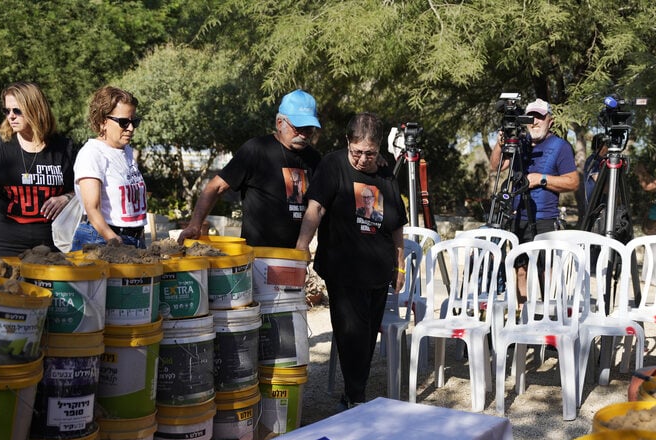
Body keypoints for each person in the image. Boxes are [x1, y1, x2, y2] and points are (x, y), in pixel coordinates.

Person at [296, 112, 407, 410]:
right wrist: (301, 247)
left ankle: (355, 391)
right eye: (356, 152)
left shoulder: (385, 173)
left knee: (368, 334)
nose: (361, 159)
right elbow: (315, 208)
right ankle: (356, 397)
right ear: (348, 142)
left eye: (369, 153)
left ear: (379, 148)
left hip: (379, 268)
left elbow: (396, 224)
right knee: (351, 331)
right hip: (343, 266)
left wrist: (400, 265)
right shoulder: (333, 164)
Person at [178, 89, 321, 248]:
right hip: (257, 256)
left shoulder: (314, 158)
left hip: (296, 255)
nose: (303, 135)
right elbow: (216, 187)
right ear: (280, 123)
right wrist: (195, 225)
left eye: (309, 129)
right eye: (298, 128)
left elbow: (319, 206)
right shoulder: (256, 150)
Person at [0, 82, 77, 256]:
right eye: (7, 111)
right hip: (2, 243)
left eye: (17, 111)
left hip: (52, 244)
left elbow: (83, 191)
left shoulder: (64, 148)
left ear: (36, 109)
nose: (11, 116)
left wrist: (66, 197)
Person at [489, 98, 579, 299]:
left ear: (550, 121)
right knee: (520, 268)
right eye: (531, 117)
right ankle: (521, 315)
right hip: (517, 215)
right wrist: (499, 144)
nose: (535, 122)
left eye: (540, 117)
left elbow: (573, 182)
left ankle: (547, 316)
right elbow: (496, 167)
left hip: (545, 219)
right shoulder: (520, 143)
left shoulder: (560, 146)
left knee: (545, 269)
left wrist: (542, 180)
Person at [70, 86, 148, 249]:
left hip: (133, 238)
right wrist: (112, 239)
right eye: (124, 122)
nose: (131, 128)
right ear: (102, 121)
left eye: (134, 122)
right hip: (101, 239)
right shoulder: (92, 153)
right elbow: (92, 208)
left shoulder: (127, 152)